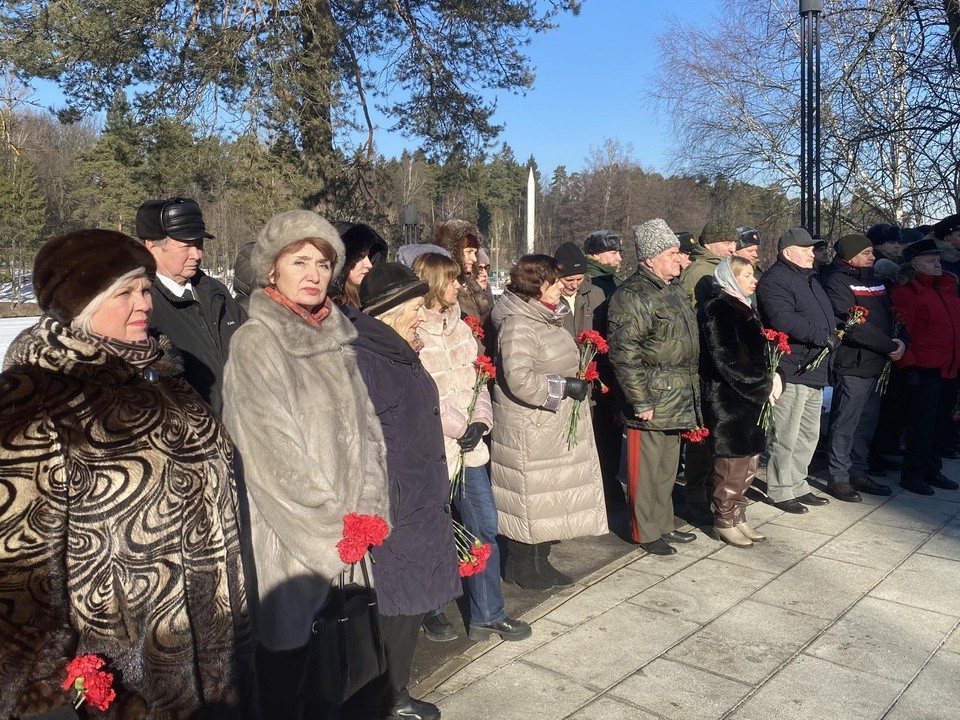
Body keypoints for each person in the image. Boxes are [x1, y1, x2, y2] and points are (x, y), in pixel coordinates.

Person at [0, 230, 255, 719]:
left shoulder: (163, 375)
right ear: (81, 306)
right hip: (122, 665)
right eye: (124, 293)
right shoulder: (37, 396)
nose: (143, 303)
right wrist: (37, 689)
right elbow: (19, 562)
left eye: (144, 289)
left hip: (214, 643)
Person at [222, 210, 391, 719]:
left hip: (348, 537)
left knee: (342, 674)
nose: (314, 273)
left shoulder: (336, 337)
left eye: (323, 262)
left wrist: (366, 511)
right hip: (292, 542)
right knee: (287, 679)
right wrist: (330, 535)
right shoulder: (257, 344)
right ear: (272, 270)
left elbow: (368, 435)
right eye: (300, 261)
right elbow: (272, 460)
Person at [345, 262, 462, 720]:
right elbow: (353, 441)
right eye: (415, 306)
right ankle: (387, 699)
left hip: (417, 495)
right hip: (393, 505)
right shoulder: (365, 358)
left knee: (408, 605)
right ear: (389, 310)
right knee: (394, 607)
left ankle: (394, 692)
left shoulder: (396, 349)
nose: (421, 315)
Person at [411, 252, 532, 643]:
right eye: (451, 280)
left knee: (483, 526)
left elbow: (480, 379)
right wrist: (460, 425)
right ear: (433, 284)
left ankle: (488, 612)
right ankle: (430, 608)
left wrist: (481, 420)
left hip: (470, 449)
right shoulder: (413, 332)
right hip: (432, 451)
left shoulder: (462, 328)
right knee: (431, 531)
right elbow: (422, 394)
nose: (459, 286)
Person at [490, 255, 607, 589]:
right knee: (530, 497)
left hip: (549, 422)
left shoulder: (545, 318)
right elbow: (519, 378)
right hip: (531, 425)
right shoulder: (519, 323)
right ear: (536, 284)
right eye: (555, 282)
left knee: (547, 497)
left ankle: (541, 561)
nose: (562, 287)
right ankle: (520, 565)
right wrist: (562, 387)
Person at [608, 219, 701, 556]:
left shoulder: (671, 290)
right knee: (643, 473)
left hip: (675, 396)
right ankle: (643, 531)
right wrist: (639, 400)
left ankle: (663, 523)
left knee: (666, 470)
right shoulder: (632, 295)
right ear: (649, 258)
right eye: (672, 252)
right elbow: (625, 354)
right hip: (650, 400)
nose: (680, 259)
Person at [136, 197, 246, 414]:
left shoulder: (216, 292)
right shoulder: (141, 305)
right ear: (152, 247)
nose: (197, 255)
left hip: (240, 432)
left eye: (199, 244)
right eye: (186, 246)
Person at [698, 257, 780, 547]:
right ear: (730, 277)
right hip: (730, 399)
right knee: (731, 463)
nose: (754, 280)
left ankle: (738, 514)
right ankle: (724, 518)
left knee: (749, 462)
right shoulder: (717, 307)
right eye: (746, 275)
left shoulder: (746, 306)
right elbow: (726, 358)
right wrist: (761, 385)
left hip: (752, 399)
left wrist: (774, 374)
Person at [756, 227, 836, 514]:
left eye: (812, 249)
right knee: (785, 434)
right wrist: (821, 336)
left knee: (808, 434)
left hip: (814, 368)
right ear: (787, 252)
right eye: (805, 249)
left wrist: (834, 332)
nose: (811, 253)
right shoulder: (775, 279)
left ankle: (798, 482)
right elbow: (783, 319)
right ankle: (779, 489)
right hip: (792, 367)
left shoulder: (810, 278)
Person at [820, 234, 904, 500]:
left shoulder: (874, 280)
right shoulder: (837, 281)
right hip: (854, 362)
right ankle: (839, 476)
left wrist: (902, 340)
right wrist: (890, 346)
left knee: (866, 422)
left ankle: (858, 469)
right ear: (850, 255)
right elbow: (853, 325)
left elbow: (893, 316)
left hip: (878, 363)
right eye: (867, 252)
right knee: (846, 421)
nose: (873, 256)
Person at [677, 220, 739, 524]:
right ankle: (695, 497)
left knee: (713, 434)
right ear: (712, 243)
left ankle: (713, 494)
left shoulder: (718, 268)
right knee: (701, 436)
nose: (733, 247)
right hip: (703, 364)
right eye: (727, 242)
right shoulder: (701, 272)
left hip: (716, 364)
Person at [891, 237, 960, 495]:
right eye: (930, 259)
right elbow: (902, 333)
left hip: (950, 368)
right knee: (922, 426)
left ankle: (933, 469)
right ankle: (913, 473)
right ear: (914, 265)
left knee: (941, 424)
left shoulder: (948, 289)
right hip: (924, 370)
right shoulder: (907, 293)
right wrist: (909, 369)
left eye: (938, 258)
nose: (937, 262)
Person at [433, 219, 492, 322]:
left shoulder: (472, 284)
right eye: (469, 252)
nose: (474, 258)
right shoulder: (442, 287)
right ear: (454, 252)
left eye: (475, 252)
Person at [678, 220, 738, 307]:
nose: (733, 249)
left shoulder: (730, 267)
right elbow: (689, 312)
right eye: (727, 243)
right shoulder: (696, 273)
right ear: (708, 244)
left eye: (735, 243)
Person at [329, 221, 389, 308]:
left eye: (369, 256)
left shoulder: (370, 300)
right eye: (359, 257)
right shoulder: (331, 309)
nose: (369, 265)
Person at [554, 241, 606, 338]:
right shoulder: (548, 297)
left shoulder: (596, 294)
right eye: (569, 280)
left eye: (579, 279)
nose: (574, 285)